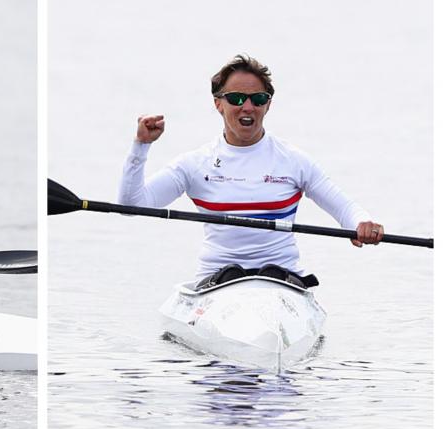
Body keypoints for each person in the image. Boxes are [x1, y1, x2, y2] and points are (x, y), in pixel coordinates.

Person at [118, 54, 383, 289]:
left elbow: (345, 208)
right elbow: (131, 206)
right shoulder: (195, 164)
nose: (247, 107)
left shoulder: (293, 161)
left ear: (268, 105)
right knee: (227, 277)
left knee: (274, 275)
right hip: (216, 282)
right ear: (218, 104)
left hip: (283, 281)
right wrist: (141, 146)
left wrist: (362, 224)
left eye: (258, 99)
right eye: (235, 98)